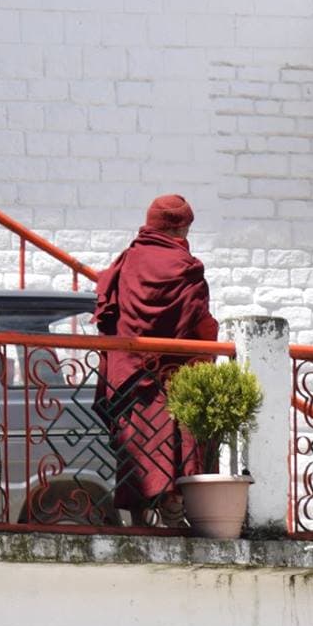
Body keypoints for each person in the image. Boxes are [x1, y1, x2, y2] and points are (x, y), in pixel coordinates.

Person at [94, 195, 219, 526]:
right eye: (186, 228)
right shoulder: (185, 268)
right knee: (175, 447)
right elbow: (197, 323)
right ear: (178, 228)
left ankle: (138, 520)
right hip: (168, 379)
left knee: (136, 447)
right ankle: (174, 514)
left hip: (128, 377)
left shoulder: (127, 261)